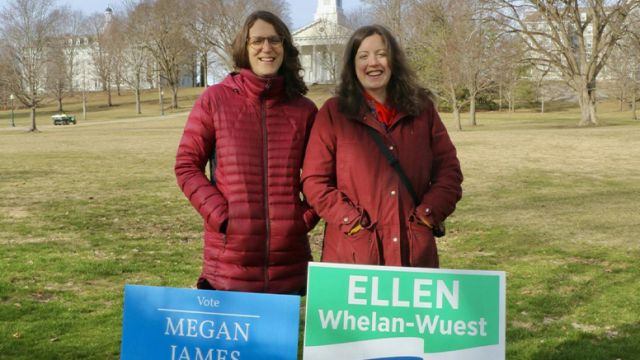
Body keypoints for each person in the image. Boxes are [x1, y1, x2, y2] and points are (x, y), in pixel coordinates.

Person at [175, 11, 318, 294]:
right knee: (232, 338)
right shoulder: (215, 100)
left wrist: (302, 219)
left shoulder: (304, 110)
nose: (267, 48)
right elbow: (187, 166)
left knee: (282, 340)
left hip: (288, 260)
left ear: (285, 47)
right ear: (245, 47)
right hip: (230, 259)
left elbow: (323, 175)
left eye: (275, 40)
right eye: (258, 41)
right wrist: (223, 217)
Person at [301, 25, 463, 268]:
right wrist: (352, 223)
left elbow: (448, 172)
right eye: (363, 56)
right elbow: (315, 181)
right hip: (354, 254)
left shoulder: (421, 110)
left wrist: (427, 217)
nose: (373, 63)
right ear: (353, 65)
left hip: (413, 252)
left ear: (393, 60)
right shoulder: (334, 113)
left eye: (381, 54)